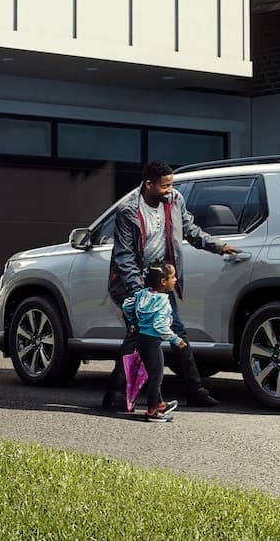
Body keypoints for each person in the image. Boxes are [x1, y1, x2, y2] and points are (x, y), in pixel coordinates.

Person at [103, 161, 239, 410]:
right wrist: (140, 294)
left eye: (171, 185)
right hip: (132, 283)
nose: (170, 190)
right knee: (138, 335)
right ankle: (116, 394)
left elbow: (190, 230)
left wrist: (218, 246)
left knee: (174, 331)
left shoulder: (174, 200)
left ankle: (194, 391)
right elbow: (124, 257)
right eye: (165, 186)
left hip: (160, 280)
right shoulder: (128, 209)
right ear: (149, 184)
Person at [122, 262, 184, 422]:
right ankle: (152, 411)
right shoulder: (162, 300)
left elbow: (127, 306)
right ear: (163, 281)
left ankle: (160, 404)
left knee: (152, 374)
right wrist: (176, 339)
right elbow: (160, 325)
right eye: (173, 277)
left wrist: (135, 322)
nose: (175, 280)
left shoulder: (142, 294)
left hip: (141, 340)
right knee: (156, 377)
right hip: (152, 343)